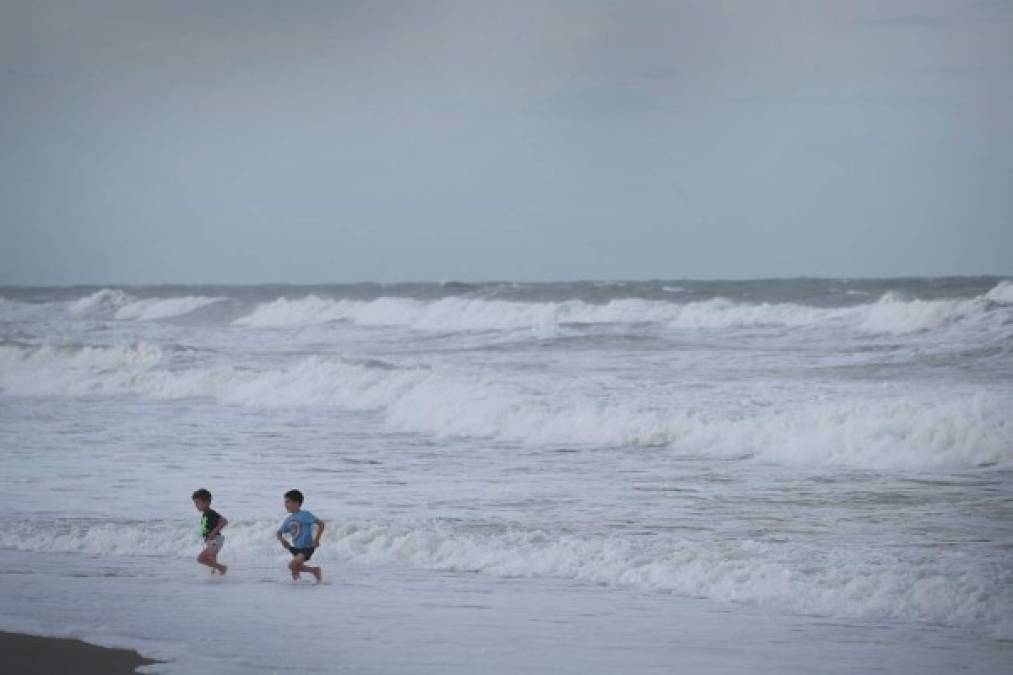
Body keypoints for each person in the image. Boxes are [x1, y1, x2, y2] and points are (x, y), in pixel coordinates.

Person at [276, 489, 324, 583]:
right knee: (295, 569)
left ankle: (314, 570)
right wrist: (282, 540)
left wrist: (316, 539)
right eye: (285, 502)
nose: (285, 505)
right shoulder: (289, 519)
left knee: (292, 565)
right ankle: (299, 585)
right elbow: (278, 532)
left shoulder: (305, 515)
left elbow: (321, 524)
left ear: (296, 503)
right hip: (295, 548)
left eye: (287, 502)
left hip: (307, 547)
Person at [192, 488, 228, 575]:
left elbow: (224, 521)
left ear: (207, 502)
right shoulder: (205, 514)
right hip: (212, 541)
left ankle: (222, 568)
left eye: (198, 502)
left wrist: (213, 532)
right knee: (212, 559)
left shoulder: (210, 513)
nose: (196, 505)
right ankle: (216, 576)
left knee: (200, 559)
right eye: (195, 503)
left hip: (215, 540)